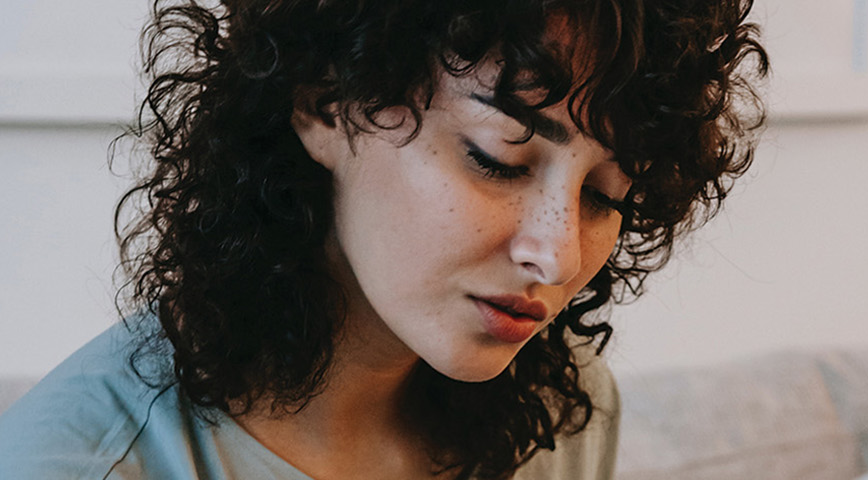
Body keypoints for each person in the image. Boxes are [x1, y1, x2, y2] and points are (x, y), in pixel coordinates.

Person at [0, 0, 767, 478]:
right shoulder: (81, 463)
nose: (558, 255)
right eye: (497, 160)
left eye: (605, 197)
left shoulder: (566, 411)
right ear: (328, 105)